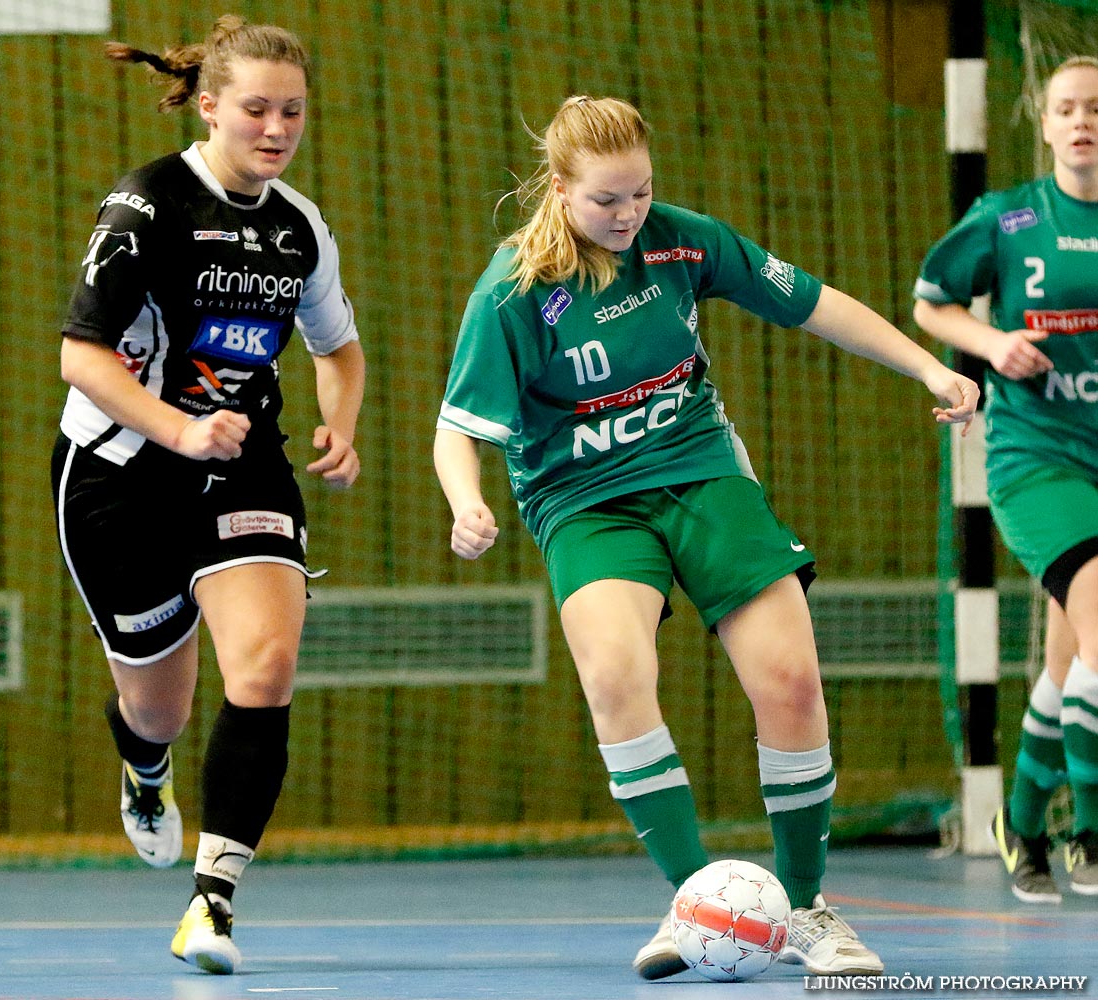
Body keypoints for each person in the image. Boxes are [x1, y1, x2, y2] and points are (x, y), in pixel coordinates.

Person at [433, 95, 978, 980]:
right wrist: (465, 501)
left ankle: (805, 910)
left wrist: (924, 363)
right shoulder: (515, 293)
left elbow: (813, 304)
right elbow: (456, 427)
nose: (627, 214)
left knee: (791, 679)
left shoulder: (683, 242)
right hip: (585, 500)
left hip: (700, 470)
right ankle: (699, 904)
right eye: (606, 200)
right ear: (559, 189)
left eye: (640, 192)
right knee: (615, 673)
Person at [51, 15, 365, 974]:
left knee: (264, 669)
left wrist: (339, 422)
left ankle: (212, 905)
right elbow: (81, 356)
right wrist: (178, 426)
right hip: (119, 474)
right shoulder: (146, 208)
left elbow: (337, 347)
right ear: (211, 104)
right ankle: (146, 770)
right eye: (258, 109)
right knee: (160, 711)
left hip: (243, 467)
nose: (276, 128)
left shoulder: (297, 226)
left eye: (293, 112)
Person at [914, 55, 1098, 903]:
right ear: (1045, 121)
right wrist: (988, 347)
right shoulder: (1008, 217)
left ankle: (1021, 823)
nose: (1079, 120)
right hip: (1036, 460)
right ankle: (1087, 835)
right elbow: (928, 302)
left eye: (1093, 107)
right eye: (1065, 108)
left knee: (1070, 667)